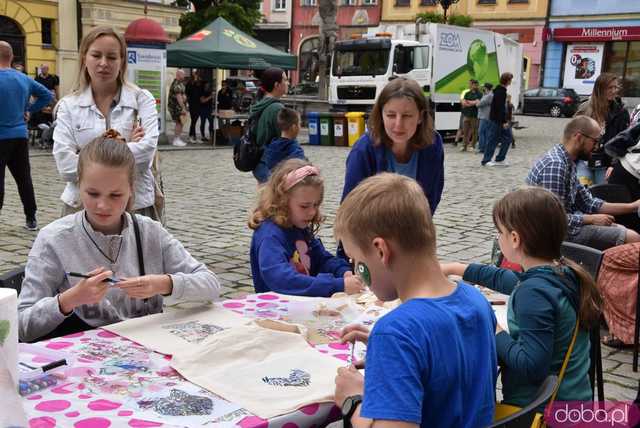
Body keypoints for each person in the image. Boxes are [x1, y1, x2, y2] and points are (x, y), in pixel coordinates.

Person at [18, 134, 221, 343]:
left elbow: (211, 285)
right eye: (93, 194)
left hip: (148, 350)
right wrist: (69, 300)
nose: (103, 206)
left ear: (131, 190)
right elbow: (21, 325)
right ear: (79, 186)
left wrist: (164, 284)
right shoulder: (54, 239)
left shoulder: (150, 232)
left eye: (115, 195)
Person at [333, 173, 497, 427]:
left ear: (380, 250)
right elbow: (448, 361)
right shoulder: (475, 301)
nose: (357, 271)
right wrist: (386, 351)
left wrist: (352, 400)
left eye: (355, 260)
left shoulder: (397, 334)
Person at [440, 187, 599, 409]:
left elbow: (531, 365)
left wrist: (492, 327)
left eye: (499, 231)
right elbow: (510, 279)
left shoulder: (534, 293)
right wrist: (454, 268)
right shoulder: (563, 271)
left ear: (514, 238)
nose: (497, 236)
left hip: (537, 412)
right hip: (574, 403)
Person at [52, 26, 160, 220]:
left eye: (111, 57)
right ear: (85, 57)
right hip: (80, 208)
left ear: (122, 61)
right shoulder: (68, 106)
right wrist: (125, 147)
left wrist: (86, 155)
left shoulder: (141, 99)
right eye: (96, 55)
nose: (103, 63)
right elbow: (64, 165)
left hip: (134, 207)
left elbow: (146, 155)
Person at [249, 158, 365, 297]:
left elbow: (321, 259)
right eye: (304, 206)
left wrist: (343, 271)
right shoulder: (269, 236)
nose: (312, 212)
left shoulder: (299, 225)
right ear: (282, 201)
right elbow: (281, 279)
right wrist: (337, 285)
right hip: (275, 310)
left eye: (316, 205)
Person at [527, 116, 640, 250]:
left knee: (623, 230)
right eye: (595, 141)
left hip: (565, 227)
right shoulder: (555, 165)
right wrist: (590, 219)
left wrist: (633, 206)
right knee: (632, 238)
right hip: (552, 236)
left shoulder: (567, 161)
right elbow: (552, 220)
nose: (597, 147)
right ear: (579, 137)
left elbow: (589, 203)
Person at [341, 77, 444, 214]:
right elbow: (349, 208)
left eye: (407, 116)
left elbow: (430, 200)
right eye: (390, 115)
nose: (398, 125)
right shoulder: (363, 150)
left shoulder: (433, 145)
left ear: (420, 116)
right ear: (381, 115)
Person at [0, 41, 52, 231]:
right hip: (20, 136)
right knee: (24, 178)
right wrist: (29, 110)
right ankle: (31, 218)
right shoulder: (23, 78)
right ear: (11, 57)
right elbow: (47, 95)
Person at [575, 73, 630, 186]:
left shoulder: (621, 112)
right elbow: (574, 135)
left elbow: (624, 141)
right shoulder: (585, 108)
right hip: (584, 162)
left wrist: (614, 165)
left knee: (603, 197)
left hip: (606, 164)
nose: (614, 90)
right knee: (583, 194)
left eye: (615, 87)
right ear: (599, 88)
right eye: (610, 87)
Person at [250, 67, 288, 181]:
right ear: (277, 85)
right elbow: (285, 138)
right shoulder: (276, 108)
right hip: (270, 164)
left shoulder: (260, 103)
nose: (288, 83)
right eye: (285, 80)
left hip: (259, 162)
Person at [253, 107, 306, 183]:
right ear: (294, 127)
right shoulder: (294, 148)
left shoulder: (271, 144)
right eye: (299, 124)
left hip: (271, 185)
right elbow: (301, 168)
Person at [481, 72, 513, 167]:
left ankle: (500, 159)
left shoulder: (501, 90)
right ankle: (486, 160)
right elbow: (499, 108)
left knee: (507, 138)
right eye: (510, 79)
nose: (511, 81)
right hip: (496, 120)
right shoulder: (500, 92)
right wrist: (503, 122)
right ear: (507, 80)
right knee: (493, 140)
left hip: (499, 120)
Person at [460, 79, 482, 152]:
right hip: (466, 115)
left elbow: (477, 102)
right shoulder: (467, 93)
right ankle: (464, 146)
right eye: (471, 84)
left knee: (474, 131)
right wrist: (471, 102)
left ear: (476, 85)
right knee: (465, 131)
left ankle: (472, 145)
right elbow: (463, 103)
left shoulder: (479, 94)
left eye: (472, 84)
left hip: (474, 115)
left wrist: (469, 102)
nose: (470, 85)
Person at [168, 69, 188, 147]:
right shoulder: (176, 84)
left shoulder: (180, 83)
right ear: (178, 75)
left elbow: (183, 95)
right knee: (179, 122)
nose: (184, 76)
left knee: (181, 122)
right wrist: (183, 108)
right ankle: (176, 139)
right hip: (176, 107)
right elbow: (179, 97)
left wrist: (184, 98)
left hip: (179, 106)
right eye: (182, 74)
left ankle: (178, 138)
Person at [185, 71, 203, 144]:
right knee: (193, 120)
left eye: (196, 74)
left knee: (194, 120)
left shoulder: (200, 82)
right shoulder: (190, 83)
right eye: (194, 74)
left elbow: (201, 91)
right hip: (192, 103)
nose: (195, 75)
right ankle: (192, 136)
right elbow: (187, 91)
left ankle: (192, 136)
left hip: (198, 103)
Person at [476, 82, 494, 154]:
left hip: (485, 116)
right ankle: (485, 147)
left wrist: (477, 102)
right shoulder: (486, 95)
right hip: (484, 116)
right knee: (485, 132)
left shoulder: (489, 96)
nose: (482, 88)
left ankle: (482, 148)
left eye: (483, 87)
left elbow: (479, 104)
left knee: (481, 132)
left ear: (486, 88)